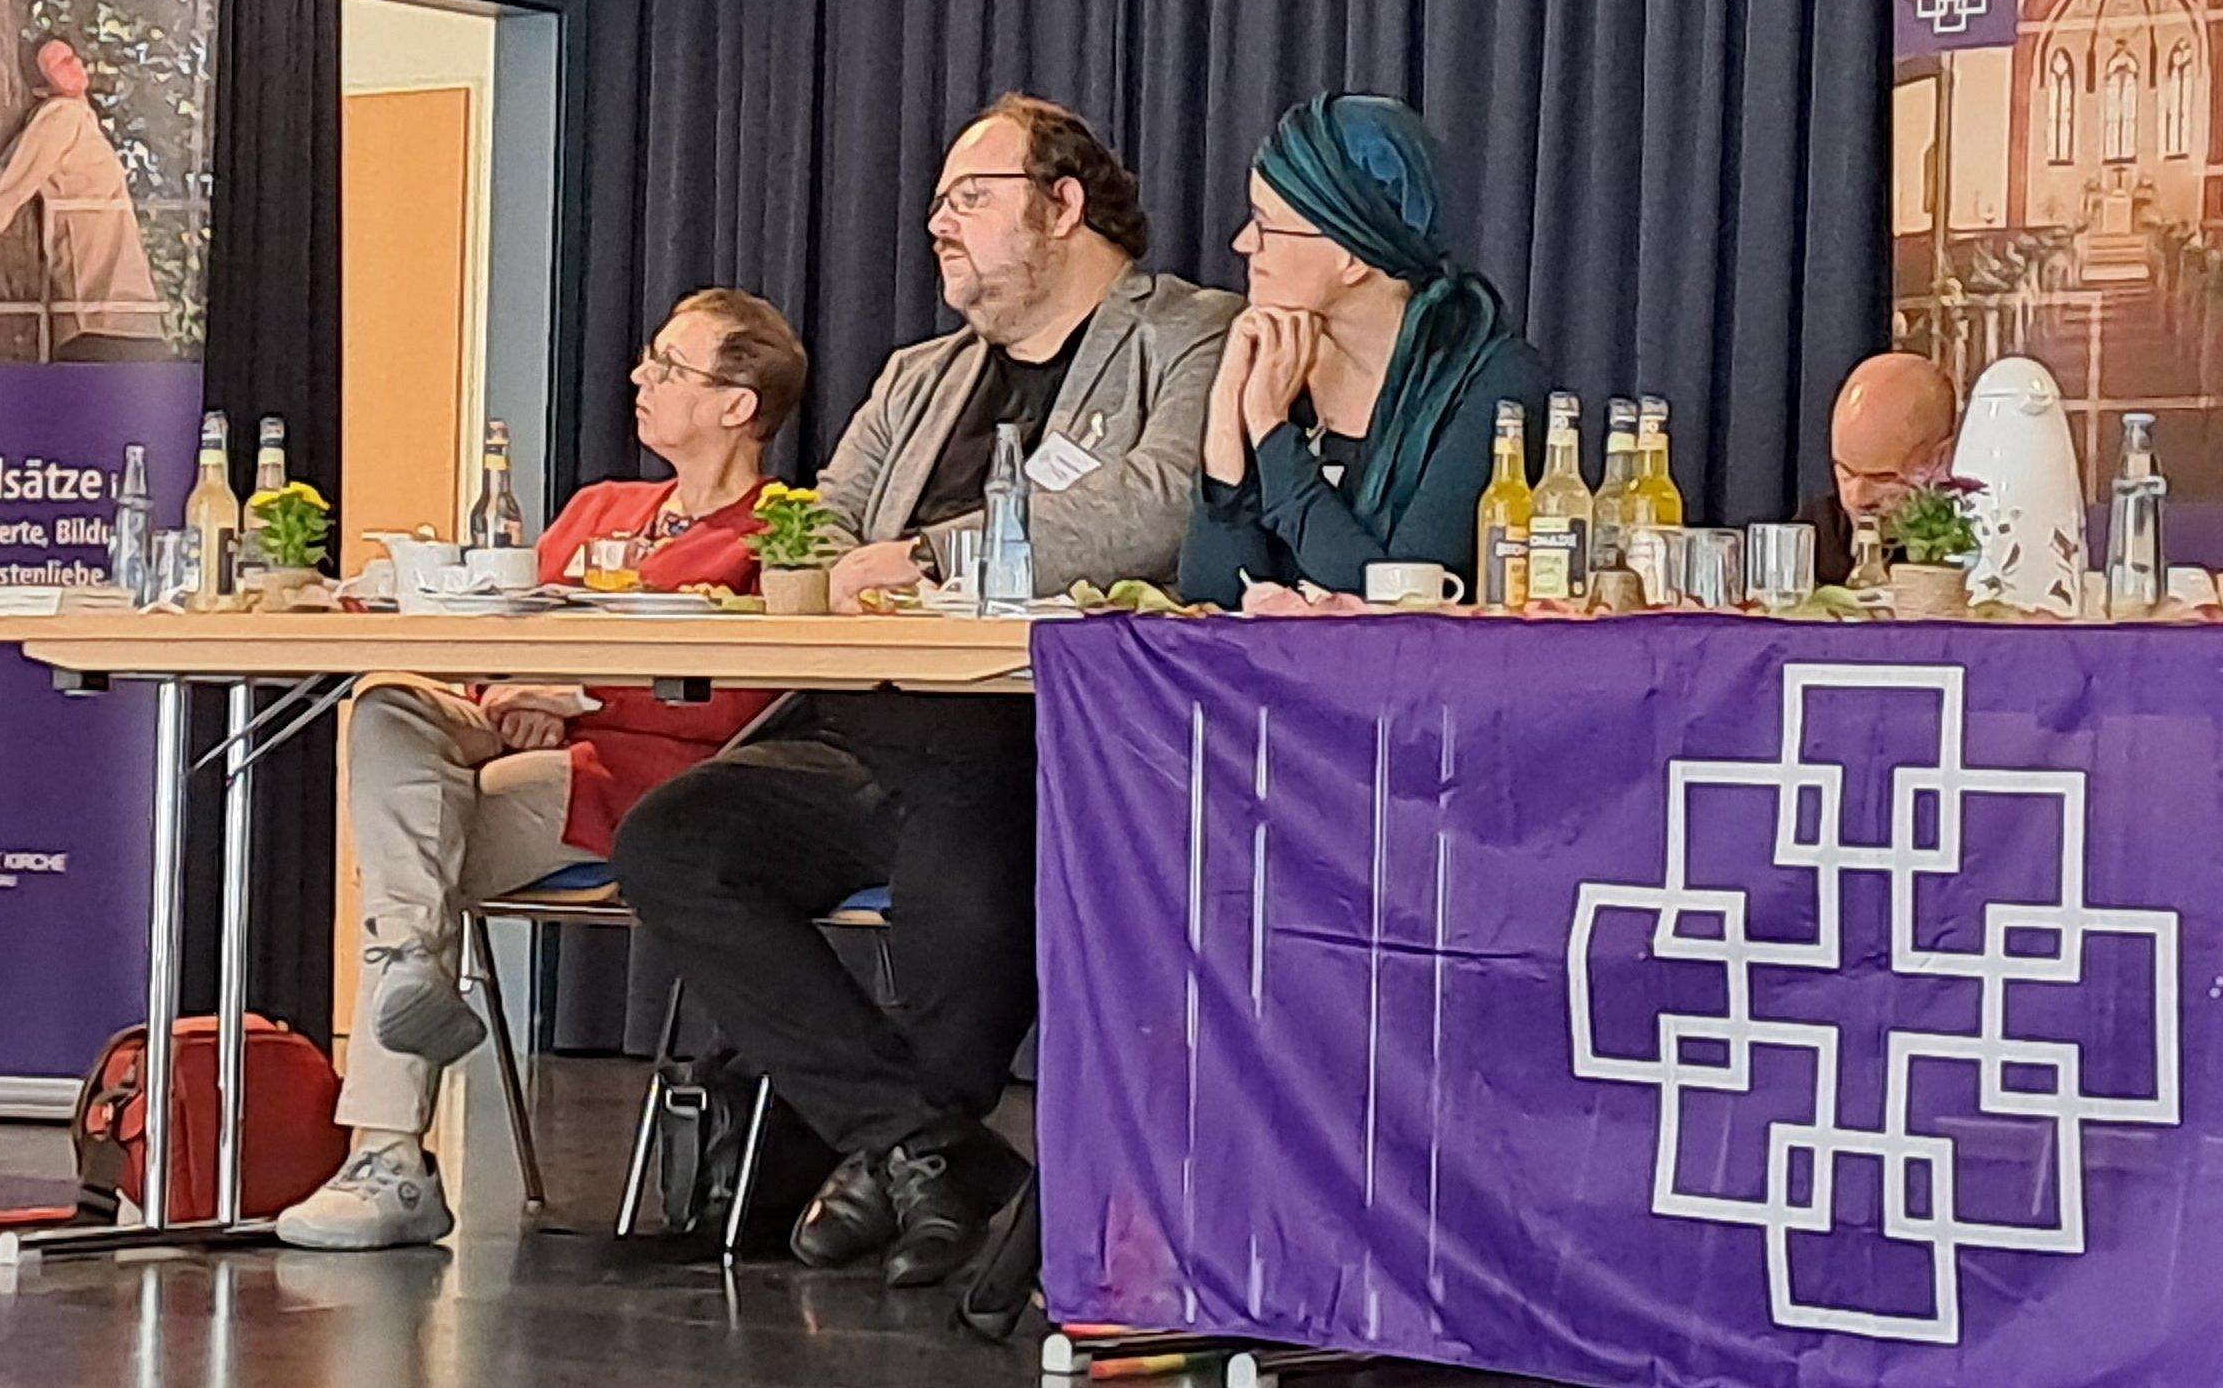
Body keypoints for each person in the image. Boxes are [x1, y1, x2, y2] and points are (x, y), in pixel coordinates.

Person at [613, 96, 1237, 1288]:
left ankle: (904, 1152)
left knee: (972, 885)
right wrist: (826, 555)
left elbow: (1159, 505)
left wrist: (930, 557)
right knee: (678, 837)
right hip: (864, 725)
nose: (937, 222)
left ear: (1063, 205)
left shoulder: (1187, 334)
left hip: (1037, 734)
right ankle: (930, 1152)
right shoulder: (920, 374)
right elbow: (819, 517)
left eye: (970, 196)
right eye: (940, 201)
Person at [275, 289, 809, 1251]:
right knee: (390, 702)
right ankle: (403, 1015)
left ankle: (390, 1153)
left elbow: (736, 699)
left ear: (737, 403)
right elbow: (499, 626)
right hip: (502, 743)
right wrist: (506, 688)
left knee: (407, 889)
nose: (638, 378)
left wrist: (576, 694)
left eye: (668, 367)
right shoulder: (599, 506)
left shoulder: (777, 532)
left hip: (623, 784)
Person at [1179, 94, 1547, 602]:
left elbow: (1398, 602)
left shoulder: (1494, 383)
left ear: (1352, 258)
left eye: (1266, 225)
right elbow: (1211, 599)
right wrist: (1227, 420)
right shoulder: (1278, 361)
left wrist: (1270, 433)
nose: (1243, 243)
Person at [0, 36, 167, 361]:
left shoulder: (85, 124)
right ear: (43, 88)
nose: (72, 65)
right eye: (58, 64)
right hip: (101, 327)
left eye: (71, 56)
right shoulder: (60, 114)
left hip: (133, 324)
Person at [1802, 351, 1960, 577]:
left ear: (1942, 459)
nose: (1857, 498)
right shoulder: (1816, 535)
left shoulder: (1976, 542)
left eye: (1881, 477)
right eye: (1845, 473)